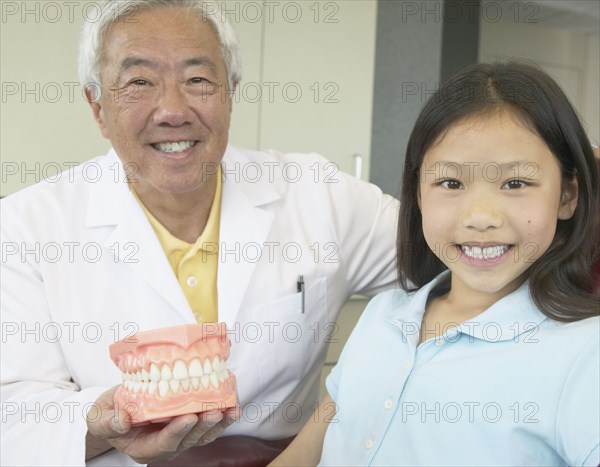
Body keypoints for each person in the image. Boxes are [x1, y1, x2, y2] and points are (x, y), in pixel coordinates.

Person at [0, 1, 398, 466]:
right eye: (139, 82)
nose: (172, 109)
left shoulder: (319, 194)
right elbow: (13, 414)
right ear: (98, 108)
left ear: (230, 92)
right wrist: (101, 422)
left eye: (197, 80)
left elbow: (451, 256)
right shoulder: (26, 226)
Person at [270, 62, 600, 466]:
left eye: (515, 183)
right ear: (419, 195)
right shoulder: (382, 315)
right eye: (451, 183)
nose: (481, 216)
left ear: (568, 195)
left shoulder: (585, 352)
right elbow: (303, 455)